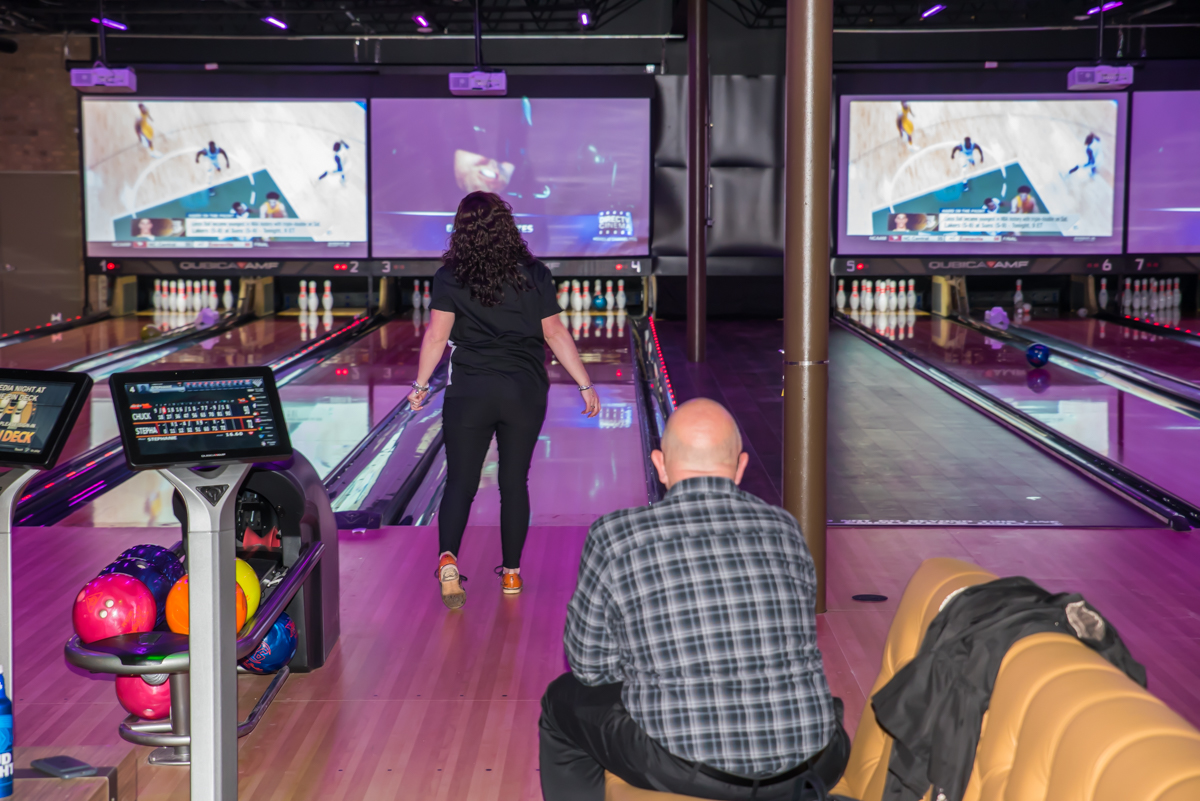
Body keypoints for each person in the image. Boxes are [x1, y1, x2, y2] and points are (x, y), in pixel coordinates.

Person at [539, 398, 849, 801]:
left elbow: (590, 667)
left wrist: (646, 670)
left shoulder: (616, 535)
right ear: (740, 467)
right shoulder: (786, 528)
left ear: (660, 464)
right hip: (814, 760)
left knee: (561, 699)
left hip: (688, 769)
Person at [407, 191, 599, 609]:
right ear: (508, 226)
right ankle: (511, 573)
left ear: (461, 230)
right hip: (523, 391)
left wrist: (420, 386)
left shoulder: (449, 276)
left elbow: (436, 337)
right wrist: (585, 383)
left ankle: (448, 561)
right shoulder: (535, 273)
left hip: (470, 391)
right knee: (514, 483)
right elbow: (555, 333)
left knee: (460, 482)